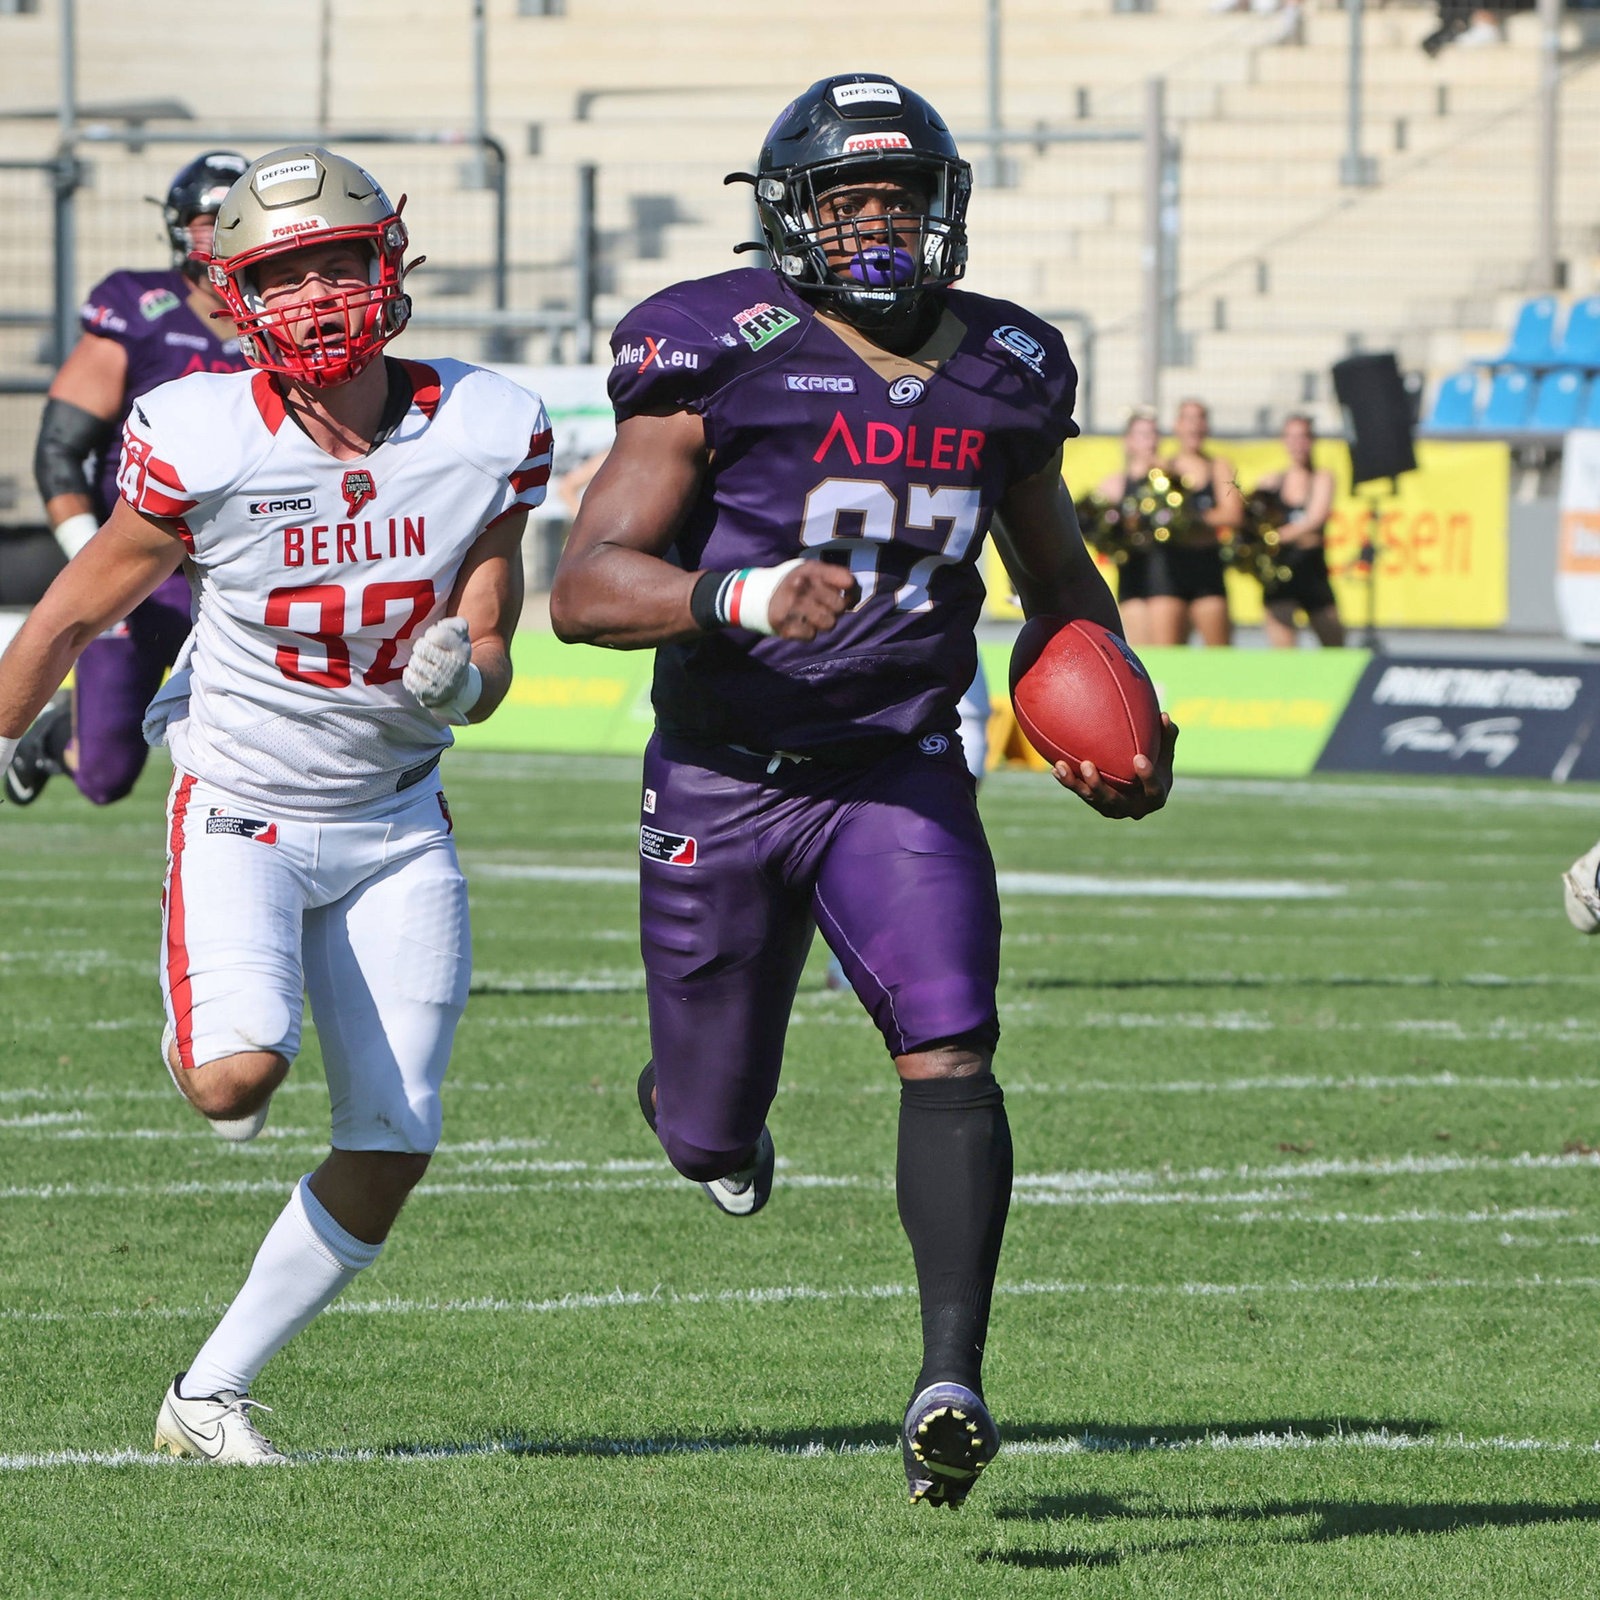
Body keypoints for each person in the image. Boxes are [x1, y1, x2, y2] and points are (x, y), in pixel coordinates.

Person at [549, 73, 1176, 1509]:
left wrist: (1123, 707)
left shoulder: (1008, 365)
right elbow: (584, 590)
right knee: (708, 1125)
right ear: (791, 218)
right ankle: (707, 1120)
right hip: (723, 770)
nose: (878, 224)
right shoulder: (720, 346)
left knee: (951, 1042)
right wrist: (748, 592)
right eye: (848, 199)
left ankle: (949, 1378)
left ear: (946, 208)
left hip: (898, 766)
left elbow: (1056, 573)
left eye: (900, 197)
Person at [0, 146, 551, 1462]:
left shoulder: (488, 424)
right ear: (237, 296)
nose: (314, 295)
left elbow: (491, 630)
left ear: (389, 268)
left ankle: (208, 1393)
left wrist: (463, 676)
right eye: (282, 273)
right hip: (241, 799)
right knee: (234, 1074)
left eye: (334, 263)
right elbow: (78, 610)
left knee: (394, 1140)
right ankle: (204, 1013)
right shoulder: (201, 431)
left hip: (398, 819)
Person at [5, 151, 251, 807]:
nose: (221, 236)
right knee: (105, 775)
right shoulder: (137, 306)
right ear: (178, 228)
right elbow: (61, 449)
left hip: (243, 565)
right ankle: (54, 733)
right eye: (208, 221)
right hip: (143, 562)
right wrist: (93, 554)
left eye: (235, 220)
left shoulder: (278, 317)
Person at [1154, 397, 1242, 647]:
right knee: (1167, 658)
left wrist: (1190, 519)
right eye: (1188, 419)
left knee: (1218, 654)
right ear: (1177, 426)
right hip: (1170, 568)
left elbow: (1233, 514)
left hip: (1207, 566)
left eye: (1200, 419)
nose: (1194, 426)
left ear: (1207, 427)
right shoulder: (1163, 467)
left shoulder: (1219, 466)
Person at [1252, 413, 1344, 647]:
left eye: (1303, 437)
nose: (1297, 444)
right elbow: (1251, 518)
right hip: (1282, 574)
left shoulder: (1321, 478)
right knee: (1285, 651)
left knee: (1334, 644)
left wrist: (1274, 537)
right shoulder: (1272, 482)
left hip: (1312, 571)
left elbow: (1314, 520)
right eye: (1292, 438)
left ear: (1312, 441)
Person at [1093, 407, 1164, 647]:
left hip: (1167, 577)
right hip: (1134, 577)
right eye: (1144, 435)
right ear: (1129, 441)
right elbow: (1092, 525)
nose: (1151, 442)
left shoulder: (1171, 480)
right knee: (1143, 651)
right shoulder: (1114, 486)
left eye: (1155, 434)